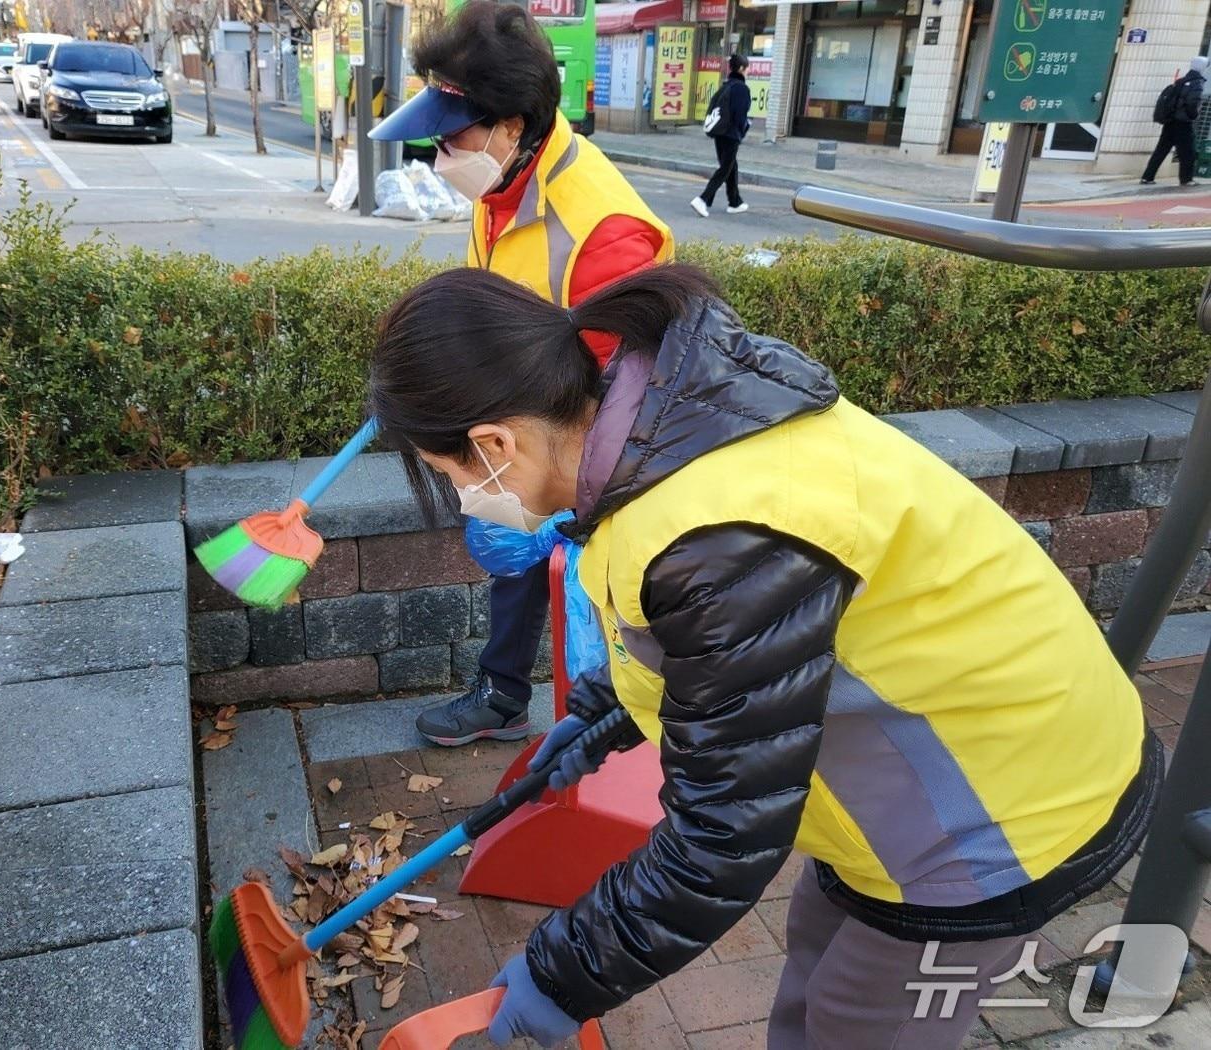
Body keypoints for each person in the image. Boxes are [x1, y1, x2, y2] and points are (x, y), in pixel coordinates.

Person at [367, 264, 1162, 1049]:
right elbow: (723, 650)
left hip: (1006, 814)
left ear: (494, 445)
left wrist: (563, 974)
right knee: (815, 963)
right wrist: (607, 713)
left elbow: (723, 837)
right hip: (938, 767)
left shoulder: (714, 530)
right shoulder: (671, 424)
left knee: (859, 1022)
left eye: (451, 476)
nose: (467, 498)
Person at [369, 1, 673, 747]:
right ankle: (505, 694)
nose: (440, 155)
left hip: (597, 443)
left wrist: (566, 505)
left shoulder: (604, 232)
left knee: (594, 615)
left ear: (510, 126)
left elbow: (618, 398)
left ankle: (606, 741)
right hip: (527, 422)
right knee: (512, 538)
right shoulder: (501, 188)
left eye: (452, 137)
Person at [691, 54, 752, 218]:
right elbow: (740, 117)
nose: (748, 72)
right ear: (741, 69)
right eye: (747, 69)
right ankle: (703, 199)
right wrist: (743, 130)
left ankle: (735, 202)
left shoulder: (725, 86)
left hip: (719, 133)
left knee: (731, 166)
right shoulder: (741, 89)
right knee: (725, 169)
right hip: (731, 134)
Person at [1141, 55, 1206, 187]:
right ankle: (1186, 179)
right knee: (1187, 152)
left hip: (1170, 120)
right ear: (1202, 67)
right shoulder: (1196, 83)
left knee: (1161, 150)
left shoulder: (1181, 81)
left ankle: (1147, 177)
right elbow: (1192, 102)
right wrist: (1193, 115)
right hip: (1183, 122)